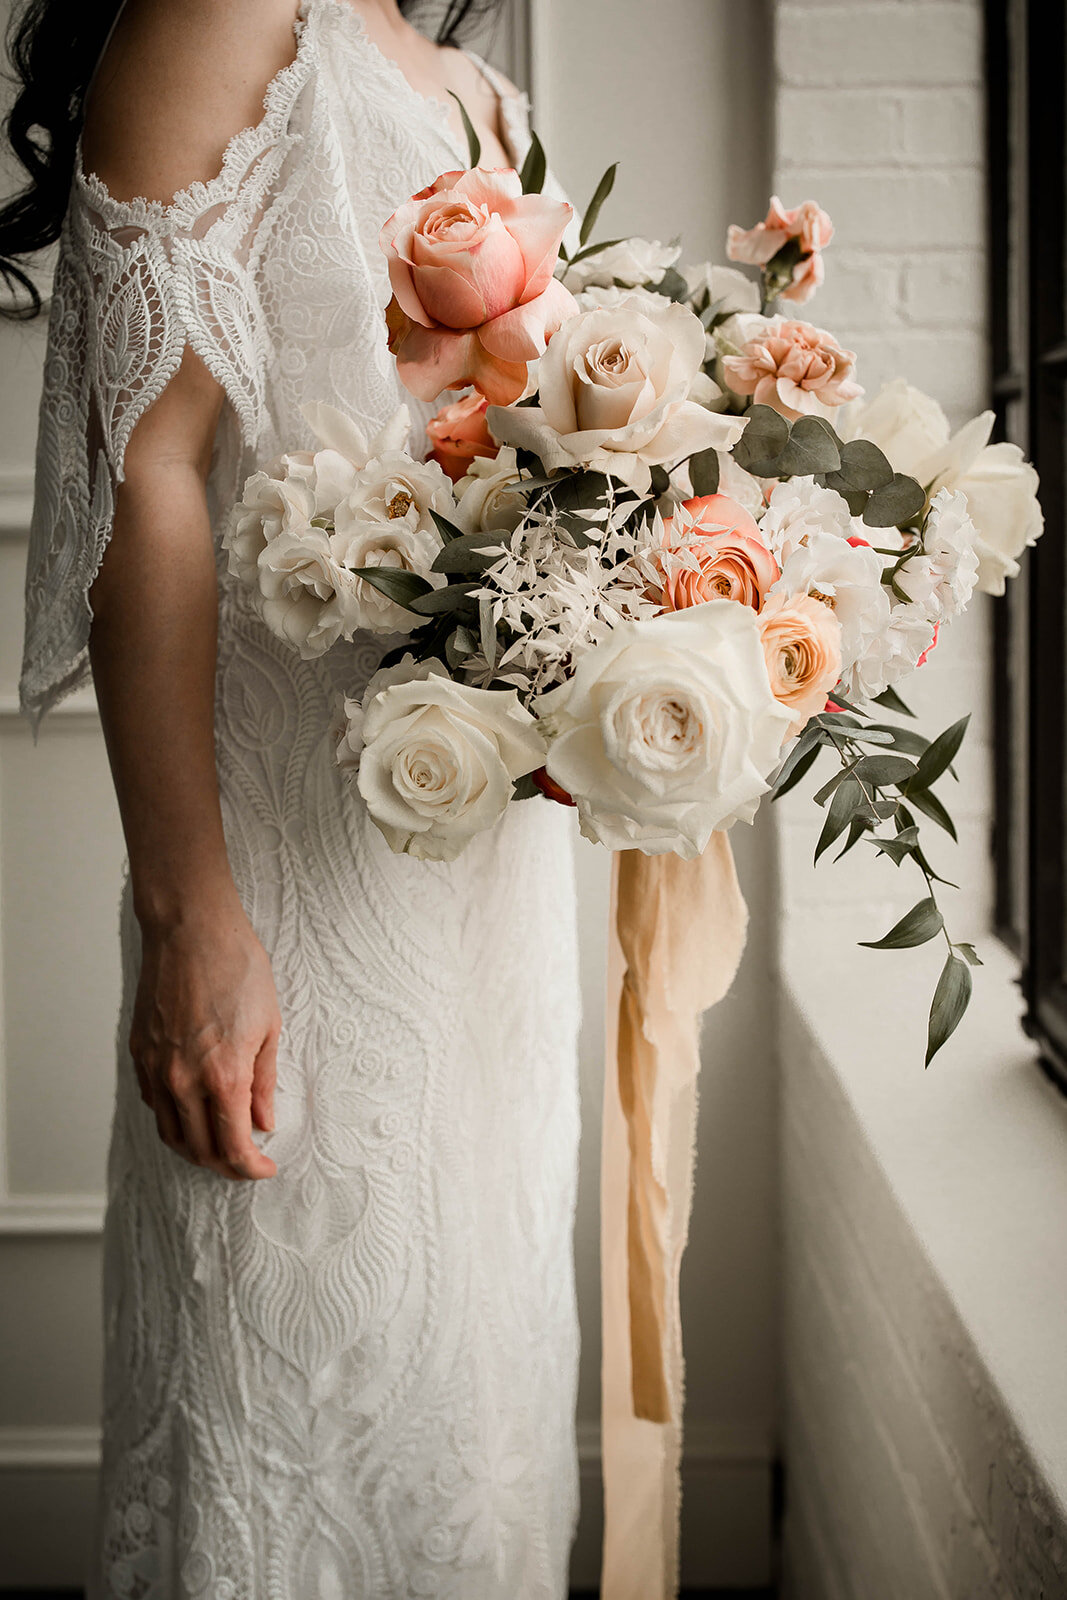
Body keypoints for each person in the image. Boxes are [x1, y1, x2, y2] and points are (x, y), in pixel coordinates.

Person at [1, 1, 582, 1592]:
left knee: (469, 1392)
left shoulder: (470, 87)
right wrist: (192, 912)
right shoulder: (225, 17)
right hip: (289, 880)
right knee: (287, 1385)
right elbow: (150, 462)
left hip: (474, 873)